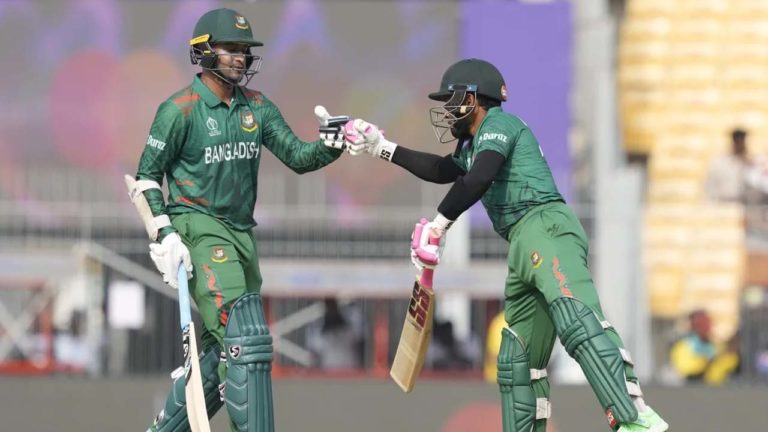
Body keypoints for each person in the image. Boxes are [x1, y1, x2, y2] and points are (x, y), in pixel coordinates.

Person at [343, 59, 669, 431]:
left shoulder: (499, 125)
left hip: (545, 226)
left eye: (452, 100)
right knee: (517, 359)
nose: (447, 109)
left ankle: (634, 418)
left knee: (576, 319)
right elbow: (440, 170)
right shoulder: (473, 144)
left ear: (474, 98)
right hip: (520, 244)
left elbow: (479, 178)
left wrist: (439, 225)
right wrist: (381, 147)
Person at [131, 8, 350, 432]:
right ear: (203, 51)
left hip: (242, 235)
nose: (240, 57)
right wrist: (165, 233)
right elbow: (146, 178)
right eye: (230, 48)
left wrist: (331, 143)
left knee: (224, 353)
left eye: (244, 50)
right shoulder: (179, 109)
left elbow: (298, 156)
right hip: (198, 227)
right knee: (246, 340)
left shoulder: (257, 106)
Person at [705, 128, 751, 203]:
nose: (740, 145)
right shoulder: (718, 163)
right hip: (722, 204)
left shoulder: (751, 163)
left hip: (743, 204)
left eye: (742, 142)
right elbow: (710, 187)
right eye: (737, 142)